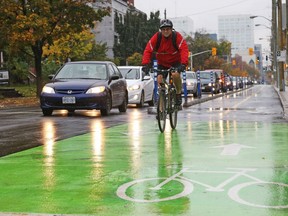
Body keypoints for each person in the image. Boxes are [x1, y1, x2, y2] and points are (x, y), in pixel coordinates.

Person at [142, 19, 189, 106]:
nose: (165, 31)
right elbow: (148, 50)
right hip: (162, 63)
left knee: (175, 75)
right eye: (163, 29)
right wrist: (145, 64)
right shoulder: (157, 37)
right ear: (161, 30)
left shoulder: (176, 37)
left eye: (168, 29)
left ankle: (178, 93)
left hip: (175, 62)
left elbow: (184, 49)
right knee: (159, 79)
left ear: (171, 29)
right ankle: (161, 106)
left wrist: (183, 64)